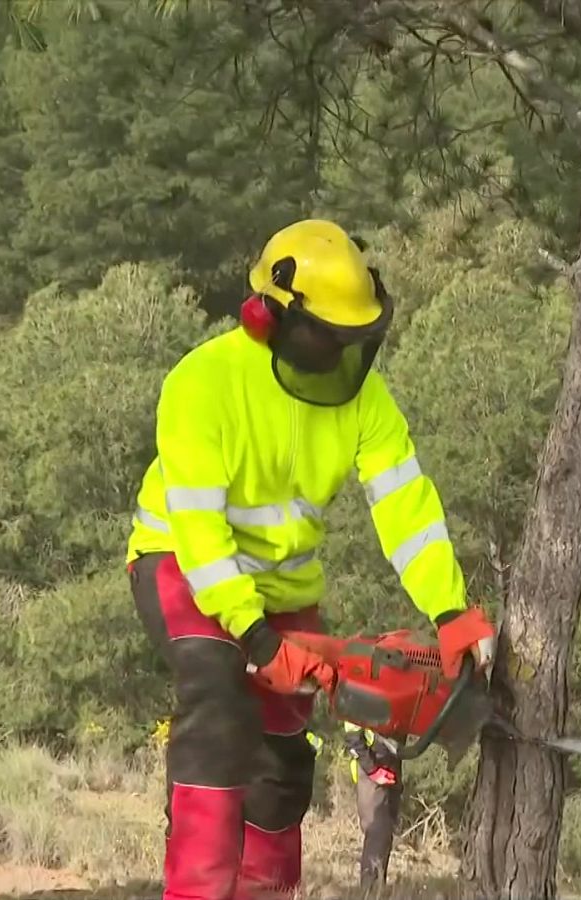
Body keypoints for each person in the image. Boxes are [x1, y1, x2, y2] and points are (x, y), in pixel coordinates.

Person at [124, 219, 496, 900]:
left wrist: (450, 611)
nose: (339, 354)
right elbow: (201, 533)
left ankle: (267, 889)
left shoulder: (366, 400)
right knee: (219, 697)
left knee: (283, 743)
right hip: (182, 564)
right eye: (325, 337)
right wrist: (257, 639)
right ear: (267, 318)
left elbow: (405, 506)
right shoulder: (201, 384)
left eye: (351, 340)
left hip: (284, 585)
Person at [341, 721, 403, 888]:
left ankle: (378, 887)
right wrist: (372, 769)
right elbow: (352, 734)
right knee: (377, 830)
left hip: (392, 762)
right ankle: (370, 891)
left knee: (386, 832)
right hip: (370, 765)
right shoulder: (357, 704)